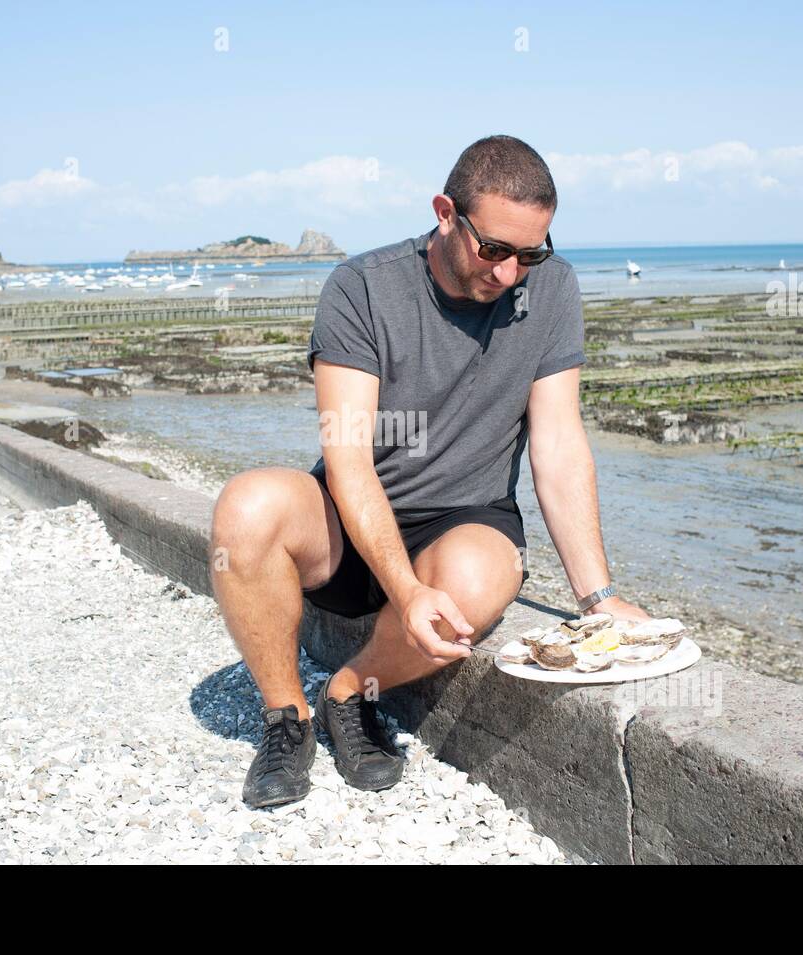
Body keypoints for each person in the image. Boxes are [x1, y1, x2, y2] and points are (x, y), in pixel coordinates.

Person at [210, 134, 651, 809]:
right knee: (246, 506)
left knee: (482, 575)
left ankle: (349, 693)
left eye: (530, 253)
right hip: (348, 521)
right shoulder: (362, 286)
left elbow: (558, 444)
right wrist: (405, 590)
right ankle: (285, 717)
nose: (509, 274)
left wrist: (598, 597)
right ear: (446, 212)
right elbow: (350, 456)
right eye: (494, 249)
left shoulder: (553, 288)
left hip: (463, 517)